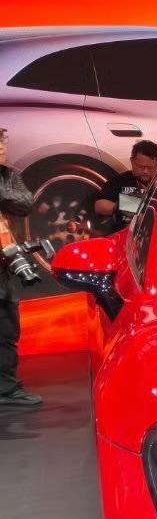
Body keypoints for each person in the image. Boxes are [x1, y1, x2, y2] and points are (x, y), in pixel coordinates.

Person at [0, 126, 43, 410]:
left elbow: (26, 203)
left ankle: (6, 389)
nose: (2, 147)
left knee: (6, 330)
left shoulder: (9, 176)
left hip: (5, 264)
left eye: (2, 142)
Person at [92, 140, 157, 234]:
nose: (145, 171)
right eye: (141, 166)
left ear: (156, 164)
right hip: (121, 234)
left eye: (149, 167)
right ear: (132, 161)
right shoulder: (119, 181)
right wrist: (125, 206)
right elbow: (98, 205)